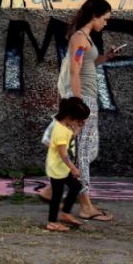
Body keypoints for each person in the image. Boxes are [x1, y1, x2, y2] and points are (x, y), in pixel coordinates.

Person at [40, 0, 120, 221]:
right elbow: (75, 72)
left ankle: (50, 189)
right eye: (104, 19)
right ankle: (85, 206)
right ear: (94, 16)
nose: (105, 23)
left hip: (87, 98)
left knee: (87, 150)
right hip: (83, 98)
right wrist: (78, 103)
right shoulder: (79, 38)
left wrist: (105, 57)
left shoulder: (87, 39)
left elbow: (85, 66)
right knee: (83, 153)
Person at [45, 97, 90, 232]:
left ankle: (65, 213)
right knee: (57, 196)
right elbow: (63, 154)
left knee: (76, 187)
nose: (79, 123)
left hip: (63, 167)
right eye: (77, 120)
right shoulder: (60, 131)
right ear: (70, 117)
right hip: (58, 169)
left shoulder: (64, 126)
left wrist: (76, 128)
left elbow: (70, 138)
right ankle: (52, 222)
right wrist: (74, 168)